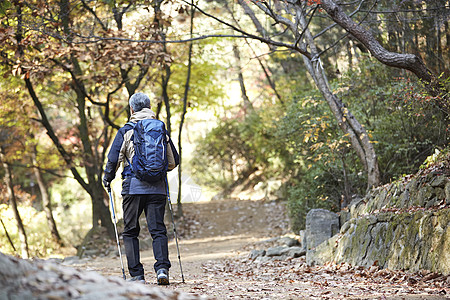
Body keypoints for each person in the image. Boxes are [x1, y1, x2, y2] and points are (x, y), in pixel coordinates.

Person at [103, 92, 176, 285]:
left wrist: (107, 179)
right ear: (149, 107)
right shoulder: (160, 129)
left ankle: (137, 275)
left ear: (132, 109)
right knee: (158, 229)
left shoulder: (126, 130)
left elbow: (113, 159)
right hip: (158, 189)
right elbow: (173, 161)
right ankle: (162, 269)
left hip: (133, 189)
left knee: (130, 231)